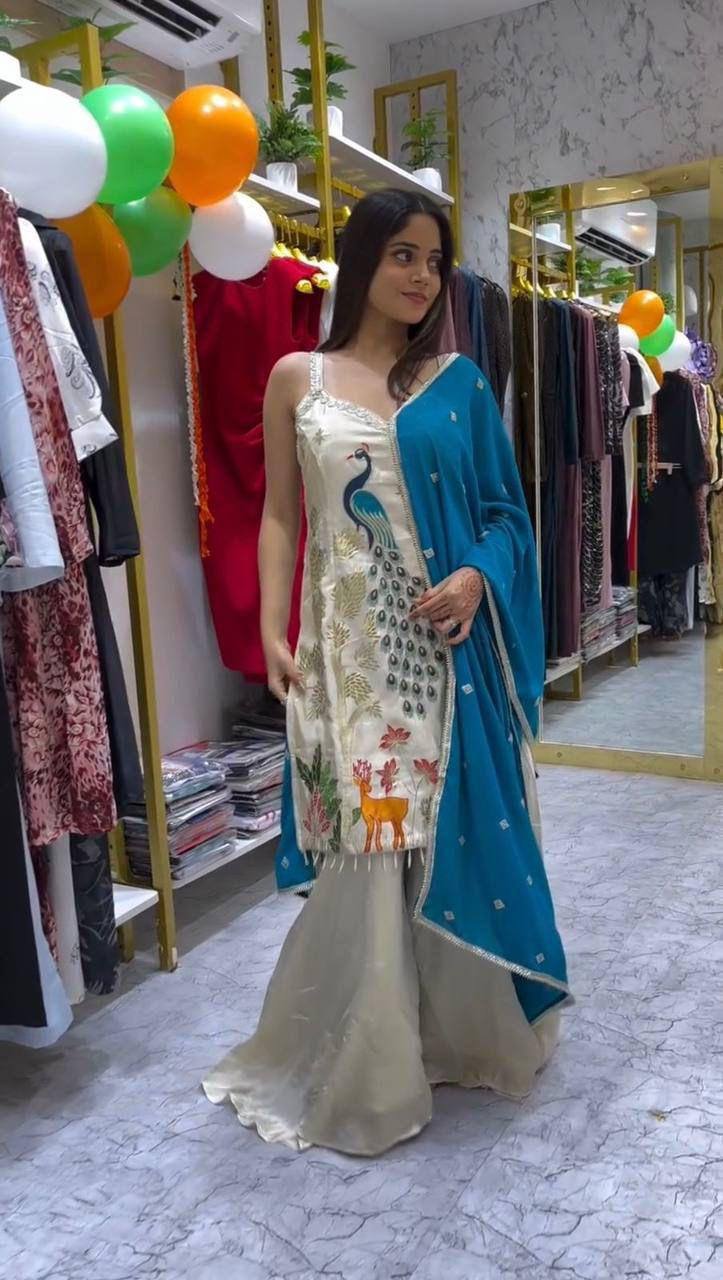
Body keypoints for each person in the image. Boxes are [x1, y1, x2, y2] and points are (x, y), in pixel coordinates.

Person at [203, 189, 571, 1156]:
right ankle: (371, 1065)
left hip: (445, 655)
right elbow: (280, 513)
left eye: (434, 261)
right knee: (370, 837)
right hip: (348, 655)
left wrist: (475, 577)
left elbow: (506, 516)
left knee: (440, 826)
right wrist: (273, 626)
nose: (420, 276)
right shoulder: (298, 377)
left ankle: (454, 1029)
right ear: (363, 257)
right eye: (402, 254)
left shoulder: (456, 383)